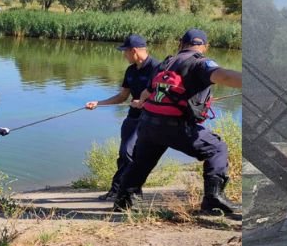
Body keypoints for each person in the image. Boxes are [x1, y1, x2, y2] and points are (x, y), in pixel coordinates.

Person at [112, 29, 242, 216]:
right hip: (175, 126)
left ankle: (122, 202)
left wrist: (140, 103)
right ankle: (212, 199)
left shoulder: (164, 63)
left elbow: (146, 93)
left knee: (141, 162)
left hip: (148, 124)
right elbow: (225, 76)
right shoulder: (200, 62)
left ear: (181, 44)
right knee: (217, 148)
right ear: (205, 46)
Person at [85, 34, 160, 201]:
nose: (123, 55)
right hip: (132, 118)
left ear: (134, 51)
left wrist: (143, 102)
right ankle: (117, 190)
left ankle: (132, 190)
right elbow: (122, 97)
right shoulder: (131, 70)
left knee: (129, 152)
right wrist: (98, 103)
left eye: (125, 51)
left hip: (149, 119)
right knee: (123, 154)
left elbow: (163, 96)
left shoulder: (157, 68)